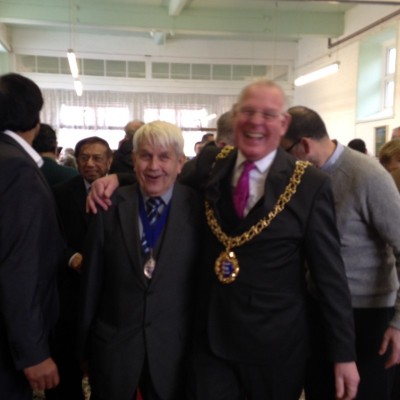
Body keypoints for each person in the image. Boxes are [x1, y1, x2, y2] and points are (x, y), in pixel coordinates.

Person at [86, 80, 359, 400]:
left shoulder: (310, 185)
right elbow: (163, 177)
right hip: (210, 343)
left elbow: (329, 276)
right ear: (234, 118)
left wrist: (344, 353)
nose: (257, 121)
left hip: (273, 348)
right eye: (248, 111)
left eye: (268, 114)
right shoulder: (211, 163)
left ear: (283, 124)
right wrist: (118, 179)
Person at [77, 121, 202, 400]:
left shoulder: (199, 209)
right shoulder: (107, 205)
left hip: (175, 353)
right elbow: (92, 282)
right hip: (113, 350)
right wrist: (84, 349)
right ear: (133, 160)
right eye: (145, 156)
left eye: (164, 157)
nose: (153, 166)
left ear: (180, 162)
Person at [282, 105, 400, 400]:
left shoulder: (367, 175)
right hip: (321, 310)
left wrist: (399, 322)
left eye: (285, 152)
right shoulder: (304, 180)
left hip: (368, 317)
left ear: (304, 145)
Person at [0, 73, 65, 399]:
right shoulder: (17, 169)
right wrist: (33, 352)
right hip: (7, 349)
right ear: (36, 116)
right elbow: (19, 265)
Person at [48, 136, 113, 400]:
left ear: (109, 161)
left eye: (98, 158)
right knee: (66, 368)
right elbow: (50, 236)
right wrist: (72, 257)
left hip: (108, 295)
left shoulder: (121, 193)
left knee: (106, 371)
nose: (90, 163)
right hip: (70, 292)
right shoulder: (61, 192)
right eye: (84, 157)